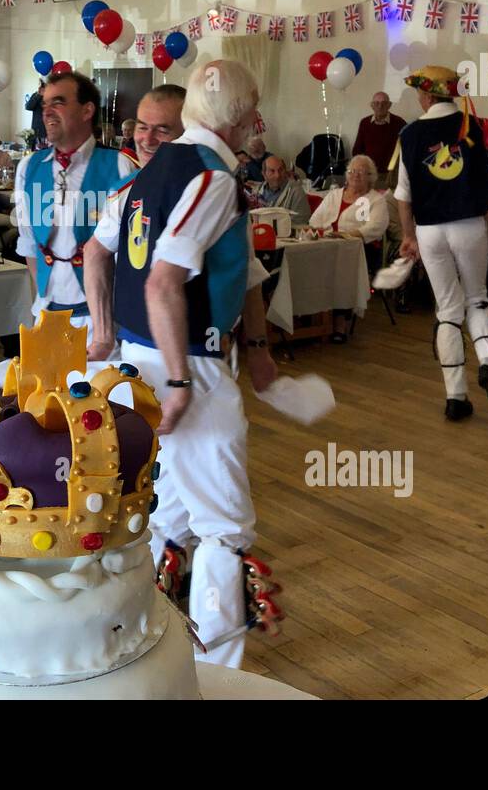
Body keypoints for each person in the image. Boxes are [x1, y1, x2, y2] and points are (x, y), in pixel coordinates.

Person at [83, 58, 277, 668]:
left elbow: (95, 250)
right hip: (186, 360)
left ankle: (143, 643)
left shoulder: (145, 175)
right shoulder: (212, 178)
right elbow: (164, 282)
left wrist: (104, 333)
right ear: (245, 120)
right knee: (223, 526)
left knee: (165, 512)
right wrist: (179, 380)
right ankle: (217, 677)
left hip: (138, 360)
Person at [394, 66, 488, 421]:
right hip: (469, 225)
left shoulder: (409, 134)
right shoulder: (478, 127)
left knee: (447, 309)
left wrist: (408, 236)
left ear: (425, 97)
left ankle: (455, 396)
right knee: (476, 297)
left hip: (429, 230)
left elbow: (403, 196)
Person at [11, 71, 138, 358]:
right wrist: (45, 295)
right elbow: (29, 243)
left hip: (101, 323)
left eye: (58, 102)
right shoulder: (28, 168)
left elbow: (130, 253)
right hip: (47, 315)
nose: (47, 112)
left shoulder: (118, 165)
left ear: (87, 110)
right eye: (44, 105)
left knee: (102, 401)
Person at [309, 154, 389, 343]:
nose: (355, 176)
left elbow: (375, 227)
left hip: (361, 249)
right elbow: (315, 220)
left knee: (341, 269)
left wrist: (348, 235)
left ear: (370, 176)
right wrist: (326, 233)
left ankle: (339, 323)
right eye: (352, 171)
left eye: (361, 172)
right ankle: (310, 319)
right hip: (327, 245)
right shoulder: (334, 195)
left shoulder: (375, 200)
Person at [352, 91, 407, 187]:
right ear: (372, 105)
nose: (380, 106)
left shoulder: (400, 123)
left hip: (392, 175)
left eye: (384, 103)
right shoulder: (365, 123)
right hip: (370, 174)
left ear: (389, 105)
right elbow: (357, 149)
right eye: (376, 103)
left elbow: (407, 150)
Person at [131, 85, 186, 167]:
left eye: (162, 131)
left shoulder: (206, 178)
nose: (148, 141)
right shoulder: (130, 179)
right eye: (142, 128)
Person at [257, 155, 309, 223]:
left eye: (280, 170)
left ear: (285, 171)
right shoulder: (258, 189)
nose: (277, 175)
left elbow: (301, 222)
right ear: (264, 174)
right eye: (272, 171)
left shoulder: (296, 192)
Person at [25, 80, 46, 146]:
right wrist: (38, 95)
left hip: (50, 132)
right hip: (37, 132)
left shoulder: (53, 95)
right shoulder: (36, 95)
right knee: (37, 154)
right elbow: (28, 107)